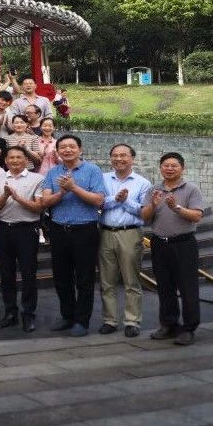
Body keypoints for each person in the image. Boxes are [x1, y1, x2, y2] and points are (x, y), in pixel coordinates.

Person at [42, 134, 106, 337]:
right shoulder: (52, 172)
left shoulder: (92, 170)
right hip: (59, 229)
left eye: (72, 146)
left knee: (84, 278)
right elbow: (45, 202)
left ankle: (82, 321)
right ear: (57, 151)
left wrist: (73, 188)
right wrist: (62, 192)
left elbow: (99, 200)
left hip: (85, 230)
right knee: (61, 277)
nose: (67, 150)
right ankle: (67, 316)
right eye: (63, 147)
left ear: (80, 149)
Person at [140, 152, 206, 346]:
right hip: (159, 244)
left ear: (182, 168)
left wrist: (176, 207)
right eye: (166, 165)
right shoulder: (154, 189)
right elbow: (144, 217)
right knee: (164, 286)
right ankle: (169, 324)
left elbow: (196, 216)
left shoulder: (191, 189)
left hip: (184, 244)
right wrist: (153, 205)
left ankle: (189, 328)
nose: (169, 169)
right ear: (160, 168)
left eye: (174, 165)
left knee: (188, 287)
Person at [98, 144, 152, 338]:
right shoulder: (102, 178)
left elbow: (144, 211)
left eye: (123, 155)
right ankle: (109, 320)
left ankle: (132, 321)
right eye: (115, 155)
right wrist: (116, 198)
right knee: (107, 280)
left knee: (131, 280)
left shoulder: (143, 183)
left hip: (130, 233)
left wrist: (126, 201)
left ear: (132, 159)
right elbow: (98, 202)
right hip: (105, 233)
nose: (119, 159)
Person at [0, 147, 44, 332]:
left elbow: (38, 208)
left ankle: (28, 314)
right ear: (5, 160)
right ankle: (10, 312)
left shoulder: (37, 179)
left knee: (29, 273)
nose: (15, 160)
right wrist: (6, 195)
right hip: (3, 229)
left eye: (19, 157)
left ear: (26, 160)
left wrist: (17, 197)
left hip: (26, 230)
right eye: (11, 157)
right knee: (6, 273)